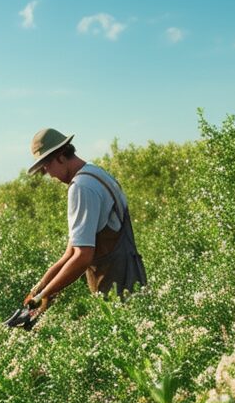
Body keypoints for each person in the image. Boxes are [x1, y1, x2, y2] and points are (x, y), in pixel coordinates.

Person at [23, 128, 146, 314]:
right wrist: (38, 290)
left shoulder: (81, 187)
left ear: (60, 156)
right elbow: (70, 253)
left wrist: (43, 297)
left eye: (47, 168)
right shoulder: (95, 173)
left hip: (116, 289)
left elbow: (82, 257)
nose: (51, 176)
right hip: (132, 277)